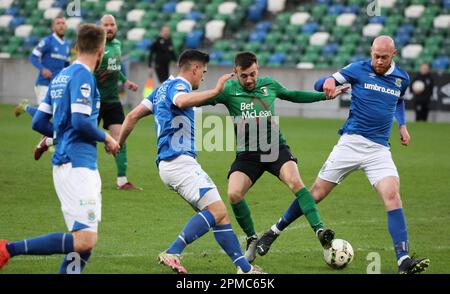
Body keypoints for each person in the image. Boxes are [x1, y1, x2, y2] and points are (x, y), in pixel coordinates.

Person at [257, 36, 430, 274]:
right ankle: (273, 232)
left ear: (394, 55)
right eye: (375, 56)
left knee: (393, 197)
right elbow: (321, 84)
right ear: (371, 52)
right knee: (315, 193)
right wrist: (328, 80)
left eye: (384, 57)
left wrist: (402, 125)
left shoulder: (402, 78)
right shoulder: (357, 69)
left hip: (379, 150)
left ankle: (403, 260)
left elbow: (399, 101)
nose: (378, 61)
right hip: (350, 143)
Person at [118, 49, 264, 274]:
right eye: (203, 72)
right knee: (216, 210)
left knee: (219, 214)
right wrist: (215, 91)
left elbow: (131, 117)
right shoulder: (179, 87)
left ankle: (244, 269)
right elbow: (181, 100)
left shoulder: (160, 90)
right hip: (179, 162)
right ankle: (173, 252)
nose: (203, 76)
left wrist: (119, 144)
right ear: (194, 68)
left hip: (169, 165)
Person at [204, 51, 348, 263]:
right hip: (247, 154)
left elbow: (293, 95)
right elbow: (197, 100)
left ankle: (319, 230)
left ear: (258, 68)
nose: (250, 79)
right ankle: (252, 237)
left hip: (275, 148)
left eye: (253, 74)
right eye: (244, 75)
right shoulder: (227, 90)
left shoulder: (269, 85)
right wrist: (175, 99)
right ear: (235, 73)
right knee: (234, 194)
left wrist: (324, 95)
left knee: (296, 182)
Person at [0, 24, 120, 274]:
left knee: (83, 245)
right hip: (78, 164)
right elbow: (80, 121)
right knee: (85, 240)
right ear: (100, 50)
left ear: (77, 46)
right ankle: (8, 249)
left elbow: (38, 122)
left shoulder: (60, 76)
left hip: (68, 163)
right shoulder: (83, 76)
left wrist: (58, 137)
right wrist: (106, 137)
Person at [14, 16, 71, 160]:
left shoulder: (66, 45)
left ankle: (46, 140)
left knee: (56, 115)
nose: (61, 25)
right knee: (43, 115)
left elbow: (66, 65)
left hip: (58, 86)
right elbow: (33, 57)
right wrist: (42, 69)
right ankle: (26, 107)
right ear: (53, 27)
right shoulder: (47, 41)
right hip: (44, 83)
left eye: (63, 23)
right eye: (58, 23)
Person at [94, 14, 140, 190]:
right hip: (93, 101)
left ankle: (122, 180)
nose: (109, 28)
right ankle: (51, 140)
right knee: (82, 137)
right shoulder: (95, 47)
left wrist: (125, 81)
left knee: (120, 138)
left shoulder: (118, 45)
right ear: (100, 27)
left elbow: (115, 66)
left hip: (112, 100)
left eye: (112, 24)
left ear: (116, 26)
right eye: (105, 25)